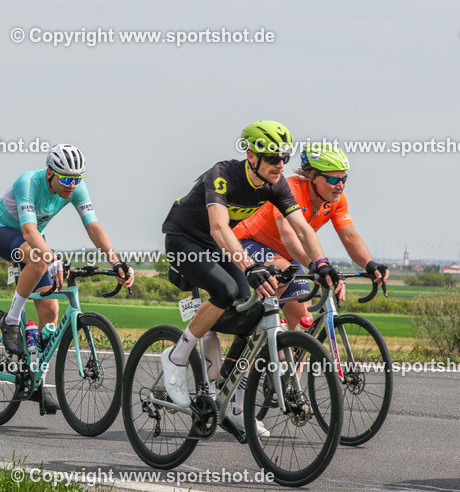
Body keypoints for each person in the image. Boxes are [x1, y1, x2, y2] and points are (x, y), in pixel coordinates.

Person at [159, 122, 344, 439]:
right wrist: (248, 266)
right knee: (227, 289)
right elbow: (219, 228)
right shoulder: (222, 174)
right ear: (251, 156)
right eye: (273, 158)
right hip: (184, 240)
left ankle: (233, 402)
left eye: (284, 158)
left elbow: (301, 227)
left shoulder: (276, 184)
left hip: (217, 248)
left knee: (254, 309)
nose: (280, 165)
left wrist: (321, 264)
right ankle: (176, 358)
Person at [0, 143, 134, 414]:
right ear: (50, 173)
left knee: (51, 312)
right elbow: (29, 230)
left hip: (33, 239)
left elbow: (93, 226)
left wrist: (115, 259)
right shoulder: (28, 182)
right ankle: (11, 320)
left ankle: (36, 382)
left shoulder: (75, 188)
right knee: (41, 258)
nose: (71, 185)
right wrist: (51, 258)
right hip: (2, 231)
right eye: (66, 179)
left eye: (76, 180)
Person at [233, 143, 388, 328]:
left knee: (302, 322)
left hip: (288, 254)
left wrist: (370, 264)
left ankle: (284, 352)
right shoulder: (290, 189)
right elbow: (289, 235)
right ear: (312, 176)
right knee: (283, 269)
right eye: (332, 180)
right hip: (248, 240)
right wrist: (317, 266)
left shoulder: (336, 200)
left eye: (344, 179)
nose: (340, 186)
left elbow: (349, 236)